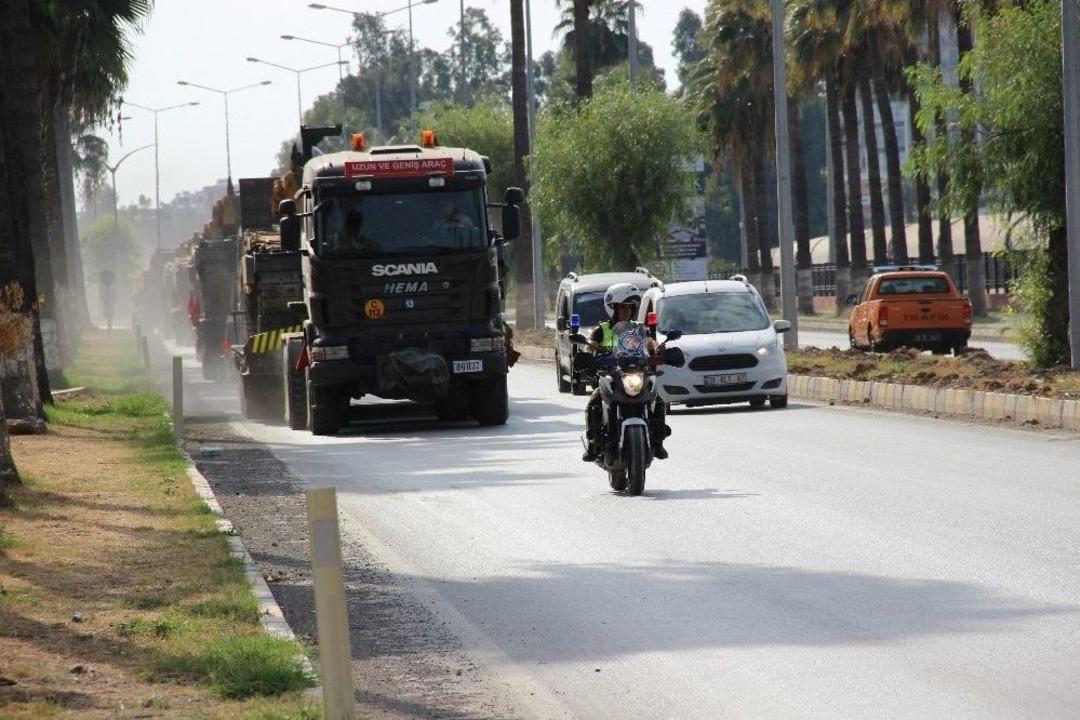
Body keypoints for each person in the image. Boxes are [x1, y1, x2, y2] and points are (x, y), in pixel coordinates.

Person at [580, 283, 670, 462]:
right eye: (622, 307)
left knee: (659, 400)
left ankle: (658, 443)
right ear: (612, 307)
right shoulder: (602, 330)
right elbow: (590, 345)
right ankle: (593, 445)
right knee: (593, 402)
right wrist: (586, 355)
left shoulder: (639, 328)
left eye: (630, 308)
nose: (626, 311)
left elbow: (650, 342)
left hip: (636, 374)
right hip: (611, 376)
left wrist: (659, 349)